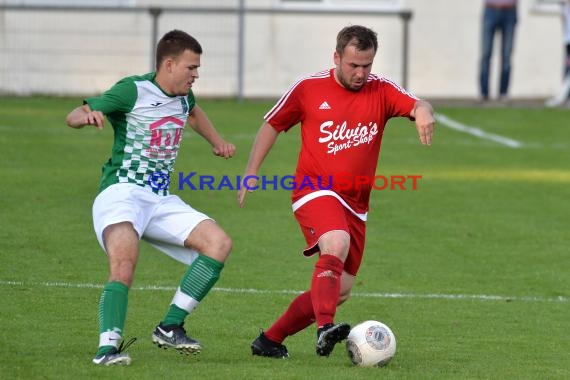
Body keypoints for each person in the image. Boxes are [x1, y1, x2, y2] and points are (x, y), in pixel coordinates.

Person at [237, 25, 435, 358]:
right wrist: (251, 171)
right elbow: (273, 123)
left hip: (357, 204)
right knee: (336, 242)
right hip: (313, 190)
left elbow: (417, 103)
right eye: (353, 65)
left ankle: (270, 340)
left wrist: (424, 111)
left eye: (367, 65)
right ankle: (325, 327)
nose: (360, 73)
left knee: (338, 290)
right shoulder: (309, 88)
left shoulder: (381, 90)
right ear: (337, 57)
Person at [66, 30, 236, 366]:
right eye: (191, 67)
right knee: (124, 264)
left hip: (159, 199)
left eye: (198, 68)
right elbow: (74, 114)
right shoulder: (133, 89)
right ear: (169, 64)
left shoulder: (185, 96)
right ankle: (107, 349)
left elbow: (193, 113)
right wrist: (85, 117)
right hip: (122, 193)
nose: (196, 74)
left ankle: (170, 326)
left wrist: (217, 141)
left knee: (218, 243)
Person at [479, 0, 518, 101]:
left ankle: (503, 93)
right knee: (486, 54)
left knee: (506, 56)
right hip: (491, 9)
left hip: (510, 11)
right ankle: (484, 93)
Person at [545, 0, 570, 107]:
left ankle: (561, 97)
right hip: (568, 40)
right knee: (567, 70)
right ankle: (564, 98)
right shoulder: (564, 7)